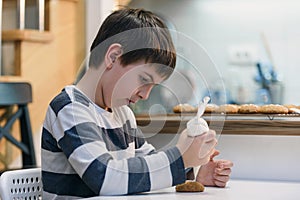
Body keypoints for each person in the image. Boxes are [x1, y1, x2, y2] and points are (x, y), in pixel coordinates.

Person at [41, 8, 233, 199]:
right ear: (113, 56)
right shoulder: (70, 108)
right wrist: (180, 158)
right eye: (143, 79)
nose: (146, 95)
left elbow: (146, 162)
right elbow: (104, 176)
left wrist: (192, 171)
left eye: (153, 87)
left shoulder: (123, 114)